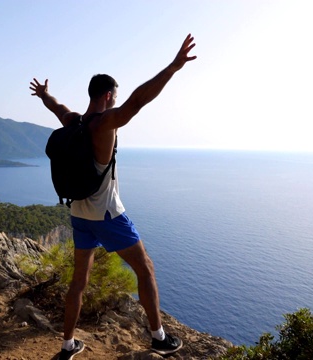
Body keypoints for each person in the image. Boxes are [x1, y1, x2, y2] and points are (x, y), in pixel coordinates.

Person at [30, 34, 197, 360]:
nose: (117, 101)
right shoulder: (105, 124)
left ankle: (67, 346)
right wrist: (173, 67)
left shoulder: (74, 121)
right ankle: (158, 337)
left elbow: (57, 108)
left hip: (79, 214)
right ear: (108, 96)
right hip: (107, 215)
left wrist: (44, 95)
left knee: (79, 281)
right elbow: (138, 101)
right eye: (114, 97)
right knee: (145, 269)